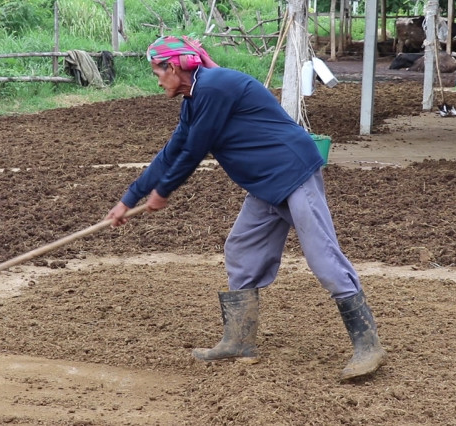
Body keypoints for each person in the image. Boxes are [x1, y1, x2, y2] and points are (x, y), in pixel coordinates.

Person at [105, 35, 386, 380]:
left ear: (174, 67)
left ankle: (367, 345)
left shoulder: (214, 87)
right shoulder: (194, 100)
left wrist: (163, 192)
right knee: (241, 248)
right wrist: (128, 200)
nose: (157, 79)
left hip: (293, 171)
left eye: (157, 71)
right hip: (265, 184)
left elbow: (194, 151)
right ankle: (239, 340)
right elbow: (171, 152)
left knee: (321, 255)